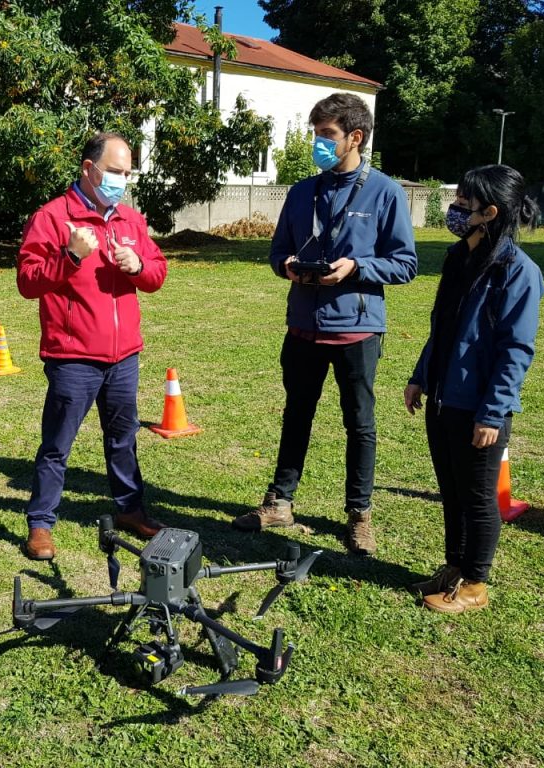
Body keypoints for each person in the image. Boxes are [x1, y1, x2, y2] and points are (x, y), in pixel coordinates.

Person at [233, 92, 417, 556]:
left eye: (326, 136)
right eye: (316, 134)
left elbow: (405, 264)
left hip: (356, 331)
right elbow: (277, 253)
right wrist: (288, 267)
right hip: (302, 327)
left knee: (360, 424)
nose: (318, 143)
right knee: (297, 415)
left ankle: (359, 514)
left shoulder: (386, 192)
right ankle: (279, 502)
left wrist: (356, 267)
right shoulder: (300, 192)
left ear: (355, 137)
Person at [17, 132, 168, 561]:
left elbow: (157, 273)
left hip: (124, 357)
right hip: (73, 358)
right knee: (57, 445)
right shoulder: (52, 217)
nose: (122, 180)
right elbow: (28, 282)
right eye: (115, 172)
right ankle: (41, 523)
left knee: (123, 438)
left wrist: (138, 266)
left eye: (127, 172)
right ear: (89, 169)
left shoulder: (131, 220)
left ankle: (130, 509)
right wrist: (70, 256)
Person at [404, 164, 544, 614]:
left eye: (465, 203)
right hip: (443, 398)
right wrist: (421, 375)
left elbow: (515, 349)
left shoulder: (517, 272)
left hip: (479, 408)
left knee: (479, 497)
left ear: (491, 211)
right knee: (451, 489)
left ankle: (476, 584)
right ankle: (453, 566)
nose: (456, 208)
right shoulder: (457, 257)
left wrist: (492, 412)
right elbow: (443, 328)